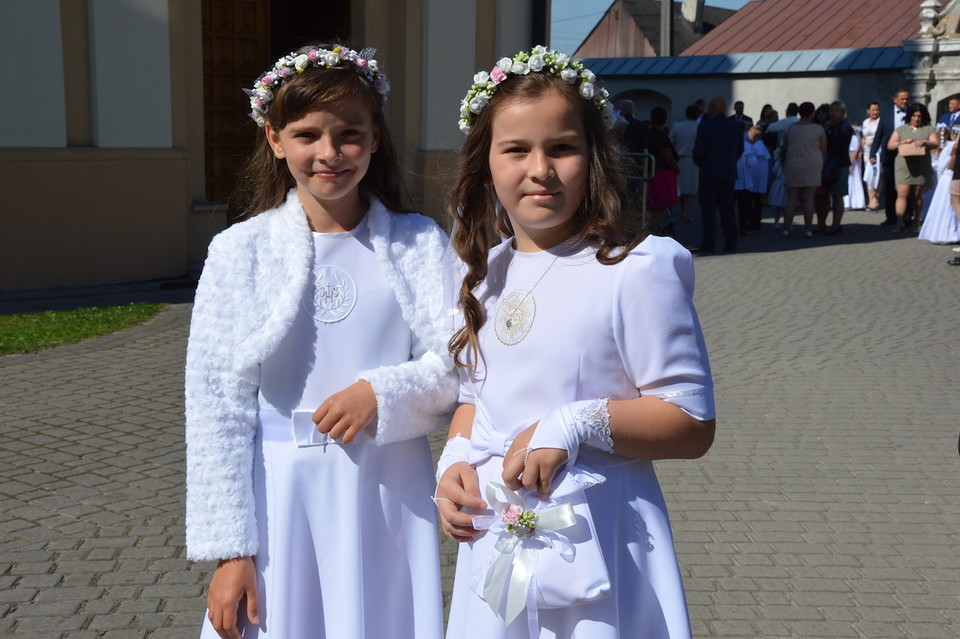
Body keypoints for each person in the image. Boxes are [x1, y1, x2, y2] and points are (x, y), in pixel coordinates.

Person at [440, 46, 716, 639]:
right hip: (499, 536)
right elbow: (474, 399)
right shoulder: (483, 274)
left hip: (600, 534)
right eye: (516, 150)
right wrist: (454, 458)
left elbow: (692, 421)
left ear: (594, 158)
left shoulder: (634, 269)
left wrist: (574, 423)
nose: (539, 169)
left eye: (561, 148)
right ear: (485, 165)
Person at [184, 44, 458, 639]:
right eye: (307, 135)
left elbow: (457, 362)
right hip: (280, 490)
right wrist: (231, 550)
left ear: (375, 139)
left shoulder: (418, 243)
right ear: (275, 139)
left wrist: (383, 393)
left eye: (349, 134)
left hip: (387, 486)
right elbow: (216, 405)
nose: (329, 153)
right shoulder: (240, 252)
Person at [694, 96, 744, 252]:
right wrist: (730, 162)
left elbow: (699, 151)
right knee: (728, 210)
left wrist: (701, 163)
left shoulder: (705, 126)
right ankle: (731, 242)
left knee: (709, 212)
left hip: (709, 174)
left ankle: (709, 244)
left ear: (712, 108)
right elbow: (740, 149)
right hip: (728, 174)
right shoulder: (735, 126)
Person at [887, 102, 939, 233]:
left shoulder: (928, 129)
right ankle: (899, 223)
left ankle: (916, 221)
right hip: (903, 165)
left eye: (919, 116)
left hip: (921, 166)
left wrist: (925, 142)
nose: (916, 118)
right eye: (914, 116)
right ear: (909, 116)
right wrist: (901, 142)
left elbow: (935, 143)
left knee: (917, 195)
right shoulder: (901, 129)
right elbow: (890, 145)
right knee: (902, 194)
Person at [781, 101, 826, 237]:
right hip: (812, 164)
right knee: (808, 199)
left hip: (793, 163)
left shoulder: (790, 128)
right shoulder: (819, 129)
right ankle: (808, 229)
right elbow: (824, 150)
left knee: (792, 198)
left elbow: (784, 148)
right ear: (812, 113)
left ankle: (787, 228)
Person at [871, 89, 911, 226]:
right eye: (902, 99)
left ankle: (906, 216)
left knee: (905, 187)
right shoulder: (886, 113)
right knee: (890, 187)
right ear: (895, 100)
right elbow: (879, 134)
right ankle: (891, 217)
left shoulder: (911, 112)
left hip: (907, 154)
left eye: (907, 99)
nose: (905, 101)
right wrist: (872, 153)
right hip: (889, 155)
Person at [919, 124, 960, 244]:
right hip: (953, 177)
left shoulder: (950, 146)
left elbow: (943, 165)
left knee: (946, 205)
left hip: (947, 177)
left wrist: (940, 178)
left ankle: (945, 233)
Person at [644, 106, 681, 234]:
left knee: (654, 207)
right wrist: (677, 169)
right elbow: (669, 157)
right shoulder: (660, 136)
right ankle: (656, 231)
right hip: (662, 174)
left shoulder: (649, 133)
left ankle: (654, 230)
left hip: (652, 172)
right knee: (659, 207)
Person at [820, 101, 854, 235]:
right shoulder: (831, 125)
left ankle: (836, 225)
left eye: (837, 110)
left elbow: (839, 146)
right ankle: (831, 224)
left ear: (843, 112)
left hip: (839, 163)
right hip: (831, 162)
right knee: (831, 194)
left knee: (838, 195)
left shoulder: (845, 126)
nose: (833, 113)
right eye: (832, 110)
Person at [736, 125, 771, 233]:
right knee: (755, 201)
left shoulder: (754, 146)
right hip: (756, 178)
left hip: (752, 177)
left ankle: (751, 221)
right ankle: (755, 222)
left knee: (749, 201)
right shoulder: (758, 145)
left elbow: (752, 162)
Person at [670, 104, 701, 223]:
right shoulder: (699, 127)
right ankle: (686, 212)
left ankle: (682, 210)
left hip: (679, 159)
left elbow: (670, 140)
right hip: (693, 160)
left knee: (681, 187)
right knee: (692, 189)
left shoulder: (677, 125)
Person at [861, 102, 882, 210]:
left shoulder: (881, 121)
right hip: (867, 151)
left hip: (877, 150)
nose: (875, 112)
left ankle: (876, 199)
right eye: (873, 110)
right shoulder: (865, 122)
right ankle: (870, 199)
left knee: (877, 174)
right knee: (868, 174)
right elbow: (863, 137)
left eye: (877, 110)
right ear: (868, 111)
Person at [843, 122, 866, 211]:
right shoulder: (851, 138)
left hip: (852, 164)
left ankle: (855, 203)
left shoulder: (854, 138)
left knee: (853, 182)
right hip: (849, 162)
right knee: (850, 182)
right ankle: (849, 202)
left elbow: (854, 152)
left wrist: (849, 165)